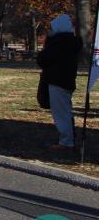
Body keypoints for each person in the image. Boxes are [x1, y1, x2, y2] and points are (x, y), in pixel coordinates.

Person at [37, 14, 82, 150]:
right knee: (65, 111)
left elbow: (43, 59)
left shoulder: (59, 42)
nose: (50, 30)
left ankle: (66, 141)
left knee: (61, 113)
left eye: (52, 28)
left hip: (57, 81)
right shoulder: (71, 41)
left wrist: (47, 44)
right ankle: (68, 138)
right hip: (66, 80)